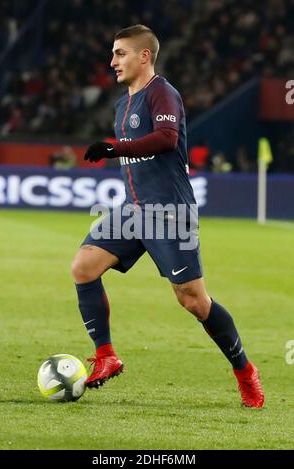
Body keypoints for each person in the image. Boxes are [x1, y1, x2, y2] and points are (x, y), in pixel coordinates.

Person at [71, 25, 264, 408]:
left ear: (144, 56)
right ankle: (107, 355)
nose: (113, 62)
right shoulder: (120, 105)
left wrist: (113, 148)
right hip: (133, 208)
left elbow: (166, 139)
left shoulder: (162, 92)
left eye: (120, 53)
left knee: (193, 300)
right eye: (113, 53)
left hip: (169, 212)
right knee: (83, 267)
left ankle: (245, 371)